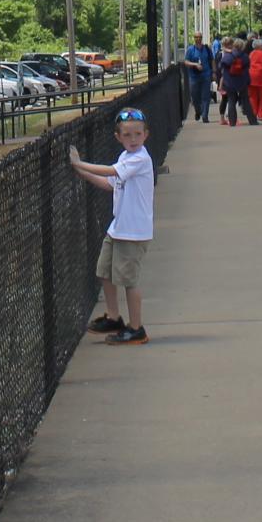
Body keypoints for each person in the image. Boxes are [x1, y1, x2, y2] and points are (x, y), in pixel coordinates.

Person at [72, 106, 155, 344]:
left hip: (134, 231)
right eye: (127, 135)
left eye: (138, 134)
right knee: (105, 272)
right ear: (118, 137)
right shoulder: (126, 157)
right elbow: (110, 183)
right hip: (118, 227)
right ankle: (113, 316)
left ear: (145, 135)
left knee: (129, 280)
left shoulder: (140, 158)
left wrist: (80, 163)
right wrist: (82, 173)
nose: (133, 139)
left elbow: (111, 171)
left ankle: (136, 328)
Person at [220, 36, 252, 127]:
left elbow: (221, 65)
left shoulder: (228, 56)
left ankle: (232, 122)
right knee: (246, 101)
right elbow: (248, 65)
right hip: (242, 81)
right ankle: (252, 120)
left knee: (231, 101)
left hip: (230, 82)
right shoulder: (245, 56)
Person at [184, 36, 213, 124]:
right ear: (194, 38)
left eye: (199, 37)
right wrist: (195, 64)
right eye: (196, 37)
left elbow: (212, 60)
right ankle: (198, 111)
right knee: (194, 96)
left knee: (206, 96)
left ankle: (205, 116)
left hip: (206, 75)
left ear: (202, 38)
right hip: (194, 76)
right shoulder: (190, 49)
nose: (198, 38)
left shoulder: (207, 49)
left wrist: (214, 72)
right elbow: (186, 62)